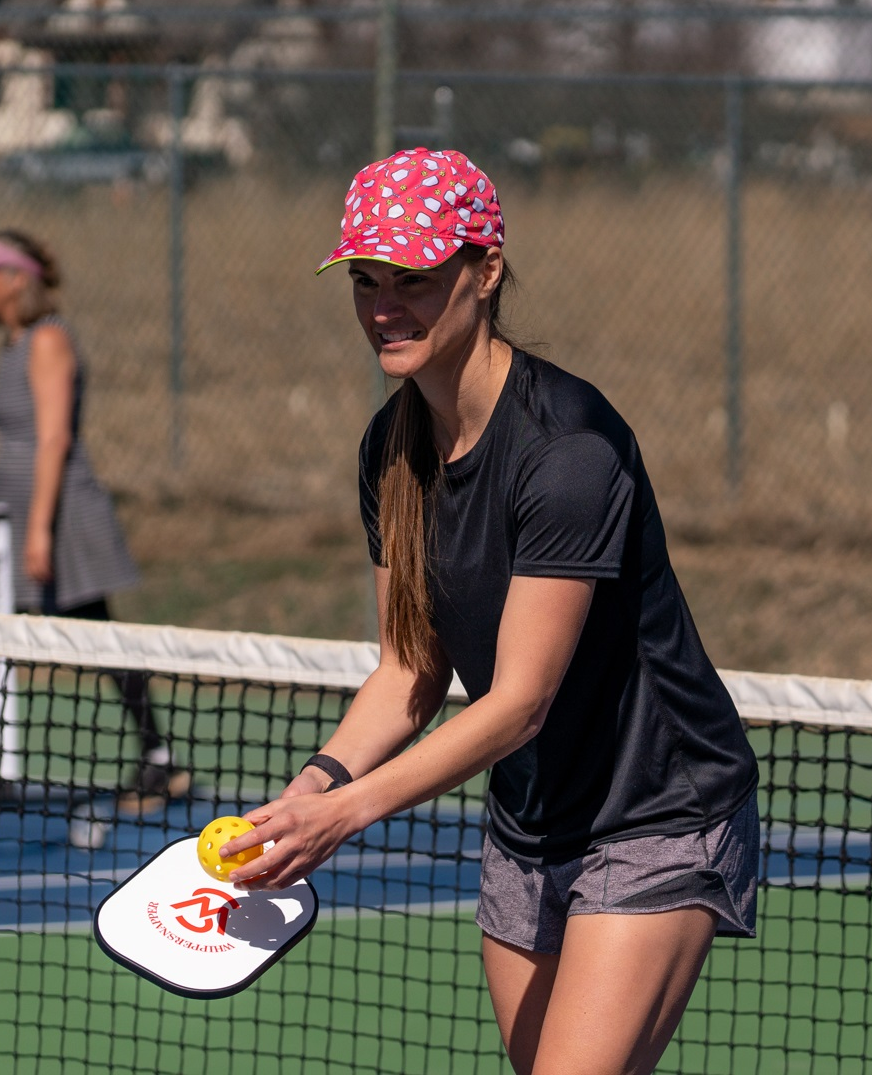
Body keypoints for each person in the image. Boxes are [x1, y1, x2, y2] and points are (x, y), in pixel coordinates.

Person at [220, 148, 760, 1075]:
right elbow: (409, 668)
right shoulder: (389, 449)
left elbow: (517, 702)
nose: (385, 307)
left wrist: (346, 814)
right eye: (365, 280)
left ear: (486, 270)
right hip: (530, 818)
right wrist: (316, 782)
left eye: (416, 279)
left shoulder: (569, 451)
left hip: (659, 809)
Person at [0, 230, 188, 814]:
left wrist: (37, 529)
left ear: (18, 280)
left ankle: (160, 761)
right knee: (5, 631)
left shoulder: (47, 342)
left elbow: (54, 436)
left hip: (61, 511)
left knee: (95, 634)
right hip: (19, 509)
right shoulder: (14, 344)